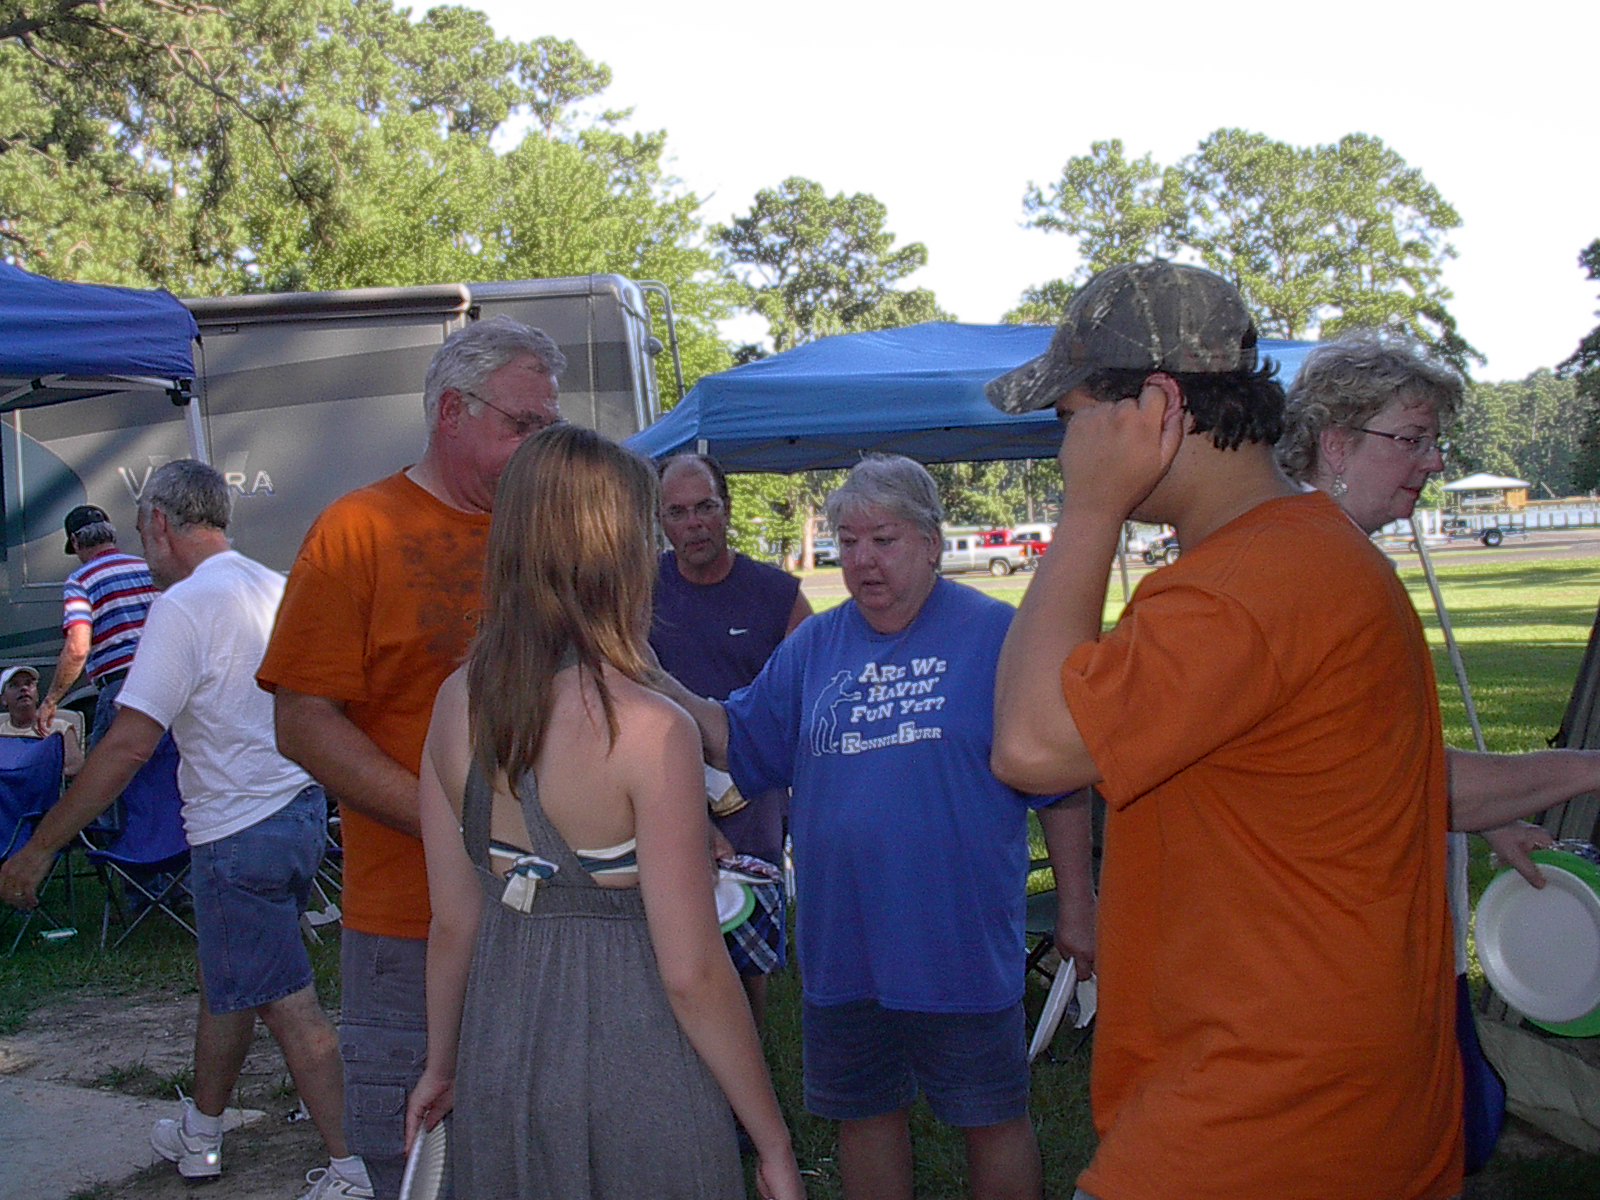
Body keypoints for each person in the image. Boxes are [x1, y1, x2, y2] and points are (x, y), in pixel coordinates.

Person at [987, 261, 1463, 1200]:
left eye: (1071, 414)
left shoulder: (1245, 586)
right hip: (1345, 1105)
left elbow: (1030, 745)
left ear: (1155, 404)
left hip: (1260, 1119)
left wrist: (1089, 508)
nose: (1063, 446)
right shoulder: (1303, 556)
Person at [655, 453, 1088, 1200]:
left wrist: (1078, 905)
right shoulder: (817, 646)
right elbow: (736, 736)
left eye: (881, 541)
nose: (861, 561)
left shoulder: (995, 636)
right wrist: (643, 675)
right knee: (865, 1117)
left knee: (993, 1118)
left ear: (930, 542)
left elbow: (1064, 785)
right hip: (846, 944)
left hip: (957, 941)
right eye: (846, 543)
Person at [403, 425, 803, 1200]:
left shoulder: (456, 704)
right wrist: (773, 1139)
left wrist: (441, 1066)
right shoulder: (650, 730)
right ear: (619, 549)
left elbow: (453, 921)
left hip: (502, 1050)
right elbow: (691, 974)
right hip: (639, 1059)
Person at [256, 316, 565, 1198]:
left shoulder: (541, 536)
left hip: (554, 916)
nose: (539, 448)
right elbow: (303, 724)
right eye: (522, 427)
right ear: (452, 413)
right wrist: (457, 823)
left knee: (538, 1150)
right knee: (416, 1160)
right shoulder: (356, 532)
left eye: (549, 427)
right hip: (408, 921)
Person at [0, 461, 368, 1200]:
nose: (144, 551)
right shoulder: (273, 586)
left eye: (143, 533)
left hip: (238, 828)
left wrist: (40, 848)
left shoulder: (184, 607)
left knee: (287, 1001)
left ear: (161, 524)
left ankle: (356, 1167)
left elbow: (130, 743)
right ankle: (202, 1133)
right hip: (297, 814)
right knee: (229, 979)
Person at [1280, 331, 1600, 1171]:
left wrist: (1489, 823)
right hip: (1339, 954)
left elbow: (1369, 743)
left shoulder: (1335, 555)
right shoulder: (1310, 570)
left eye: (1433, 440)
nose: (1430, 461)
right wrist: (1585, 769)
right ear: (1337, 441)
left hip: (1389, 930)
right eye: (1410, 439)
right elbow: (1394, 784)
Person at [649, 452, 812, 1025]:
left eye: (705, 508)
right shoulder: (635, 592)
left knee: (745, 946)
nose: (693, 524)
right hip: (656, 786)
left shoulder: (778, 596)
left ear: (726, 510)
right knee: (665, 938)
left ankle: (750, 1069)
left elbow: (808, 700)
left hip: (751, 795)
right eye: (678, 512)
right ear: (661, 522)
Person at [37, 504, 159, 753]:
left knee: (106, 778)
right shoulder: (145, 568)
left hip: (121, 691)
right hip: (162, 683)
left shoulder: (80, 581)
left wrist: (51, 701)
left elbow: (78, 648)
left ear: (75, 541)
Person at [0, 665, 84, 778]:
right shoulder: (1, 732)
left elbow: (76, 766)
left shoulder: (60, 727)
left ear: (37, 695)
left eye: (29, 684)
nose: (24, 688)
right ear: (3, 699)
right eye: (14, 685)